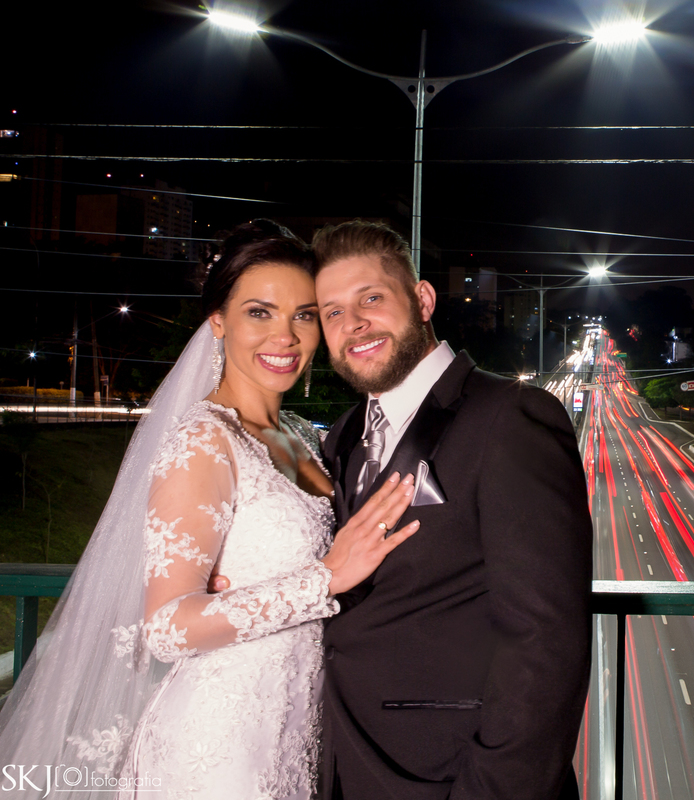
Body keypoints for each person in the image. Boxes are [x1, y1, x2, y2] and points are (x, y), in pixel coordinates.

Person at [0, 221, 418, 799]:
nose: (285, 337)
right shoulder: (201, 441)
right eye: (259, 313)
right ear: (218, 322)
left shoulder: (298, 434)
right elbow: (168, 629)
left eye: (302, 315)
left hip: (296, 730)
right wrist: (325, 577)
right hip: (218, 743)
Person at [312, 220, 593, 800]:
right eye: (332, 312)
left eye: (371, 298)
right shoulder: (341, 438)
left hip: (452, 778)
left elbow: (546, 643)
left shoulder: (512, 417)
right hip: (347, 767)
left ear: (421, 299)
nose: (353, 324)